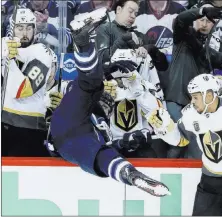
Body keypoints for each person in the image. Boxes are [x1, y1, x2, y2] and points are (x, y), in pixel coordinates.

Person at [50, 9, 170, 197]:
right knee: (90, 84)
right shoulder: (87, 100)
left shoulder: (103, 123)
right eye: (106, 100)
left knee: (99, 153)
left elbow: (107, 146)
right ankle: (127, 173)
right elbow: (77, 85)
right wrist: (106, 70)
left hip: (70, 141)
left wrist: (126, 142)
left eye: (108, 102)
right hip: (72, 123)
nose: (108, 102)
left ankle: (129, 174)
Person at [147, 73, 222, 215]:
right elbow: (180, 139)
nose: (192, 101)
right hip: (213, 182)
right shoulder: (190, 115)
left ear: (209, 96)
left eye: (196, 97)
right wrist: (164, 128)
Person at [164, 4, 222, 158]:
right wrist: (201, 11)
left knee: (197, 146)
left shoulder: (214, 44)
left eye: (209, 20)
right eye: (201, 19)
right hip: (178, 100)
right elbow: (180, 20)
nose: (204, 23)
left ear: (215, 24)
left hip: (199, 106)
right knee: (180, 143)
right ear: (194, 20)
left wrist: (205, 49)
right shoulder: (183, 36)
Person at [1, 8, 53, 156]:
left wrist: (7, 61)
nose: (24, 33)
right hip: (3, 125)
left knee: (23, 177)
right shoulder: (3, 47)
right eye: (19, 28)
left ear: (34, 29)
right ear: (12, 29)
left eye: (29, 28)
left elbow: (22, 90)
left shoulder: (42, 52)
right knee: (5, 178)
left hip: (29, 130)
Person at [96, 0, 169, 73]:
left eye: (136, 13)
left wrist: (153, 49)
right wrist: (122, 40)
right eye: (130, 11)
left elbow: (163, 67)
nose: (133, 16)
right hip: (112, 82)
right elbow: (102, 60)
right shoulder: (105, 29)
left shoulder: (140, 36)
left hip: (140, 82)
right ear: (119, 10)